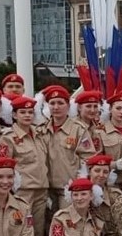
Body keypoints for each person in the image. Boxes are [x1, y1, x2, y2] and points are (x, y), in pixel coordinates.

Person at [0, 96, 50, 236]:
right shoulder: (8, 138)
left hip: (41, 188)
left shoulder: (39, 134)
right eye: (22, 112)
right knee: (20, 229)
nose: (27, 115)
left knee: (38, 230)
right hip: (22, 191)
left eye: (30, 112)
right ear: (14, 115)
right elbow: (3, 165)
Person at [40, 84, 97, 217]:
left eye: (60, 103)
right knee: (46, 228)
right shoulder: (41, 130)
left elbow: (88, 158)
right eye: (52, 103)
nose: (56, 107)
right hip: (45, 188)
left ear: (68, 106)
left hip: (68, 188)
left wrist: (80, 181)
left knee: (68, 222)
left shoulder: (77, 129)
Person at [97, 92, 122, 193]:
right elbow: (95, 159)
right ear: (110, 109)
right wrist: (114, 164)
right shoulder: (101, 131)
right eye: (118, 108)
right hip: (111, 183)